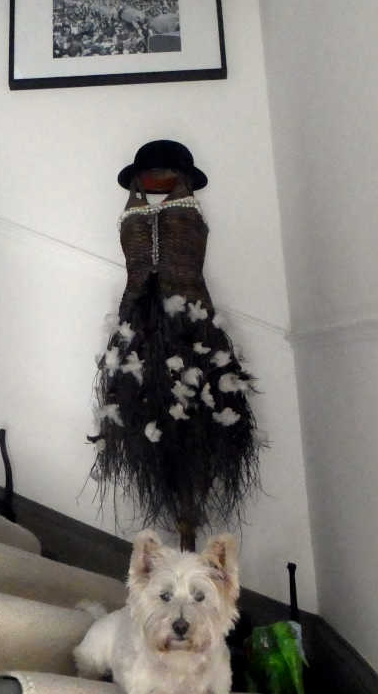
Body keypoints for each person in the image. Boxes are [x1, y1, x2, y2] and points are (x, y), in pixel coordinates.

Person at [89, 140, 261, 549]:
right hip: (137, 327)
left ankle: (189, 530)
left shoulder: (189, 202)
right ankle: (177, 532)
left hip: (192, 324)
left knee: (196, 426)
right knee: (149, 424)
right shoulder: (137, 196)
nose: (157, 183)